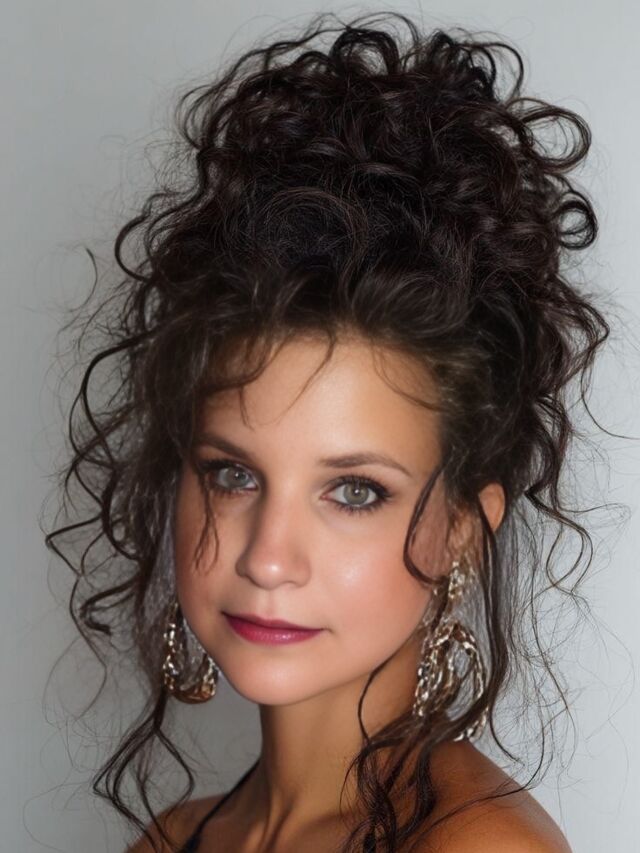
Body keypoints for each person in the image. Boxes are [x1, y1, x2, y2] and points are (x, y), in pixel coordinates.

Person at [45, 10, 609, 852]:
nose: (268, 557)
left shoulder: (479, 846)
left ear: (462, 528)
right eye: (233, 474)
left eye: (354, 491)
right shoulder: (167, 840)